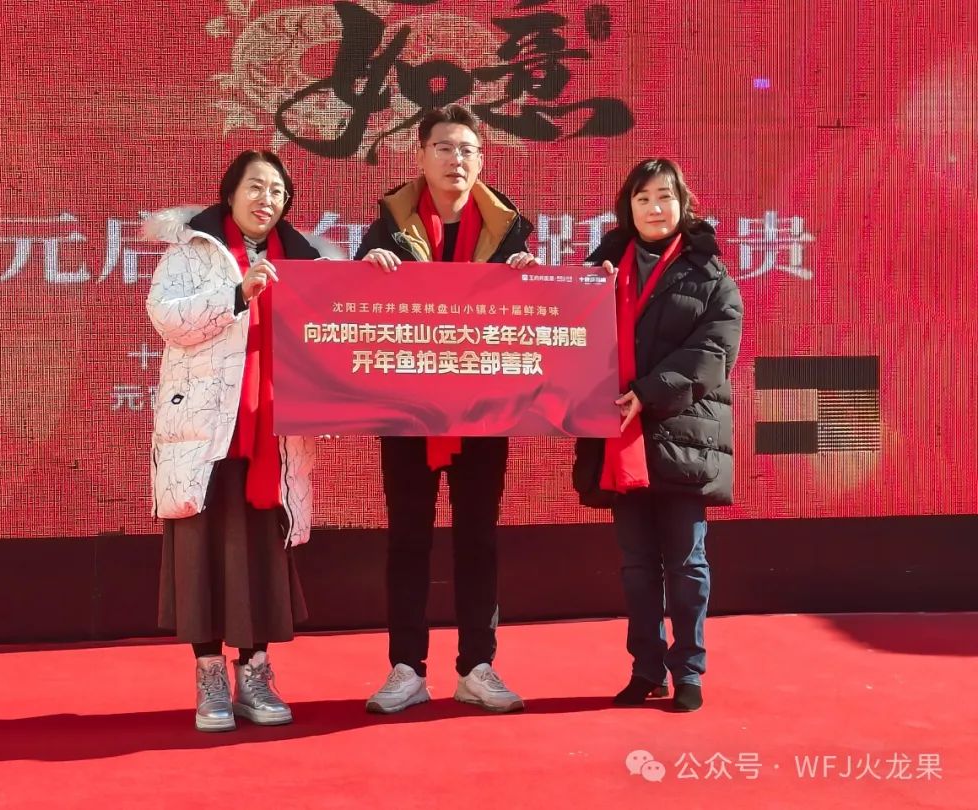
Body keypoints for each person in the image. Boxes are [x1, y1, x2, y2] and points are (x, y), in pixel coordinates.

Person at [355, 104, 537, 714]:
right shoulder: (388, 225)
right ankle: (406, 668)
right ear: (420, 155)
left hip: (484, 409)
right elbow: (356, 308)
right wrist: (365, 271)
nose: (455, 160)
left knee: (478, 539)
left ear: (480, 160)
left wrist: (532, 278)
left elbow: (532, 315)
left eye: (466, 150)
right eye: (443, 148)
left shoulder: (510, 229)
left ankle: (477, 666)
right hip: (408, 410)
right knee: (407, 538)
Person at [143, 149, 320, 731]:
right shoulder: (190, 251)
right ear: (230, 193)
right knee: (200, 557)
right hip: (205, 435)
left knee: (262, 556)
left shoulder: (307, 259)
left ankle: (255, 673)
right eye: (256, 187)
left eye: (277, 191)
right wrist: (237, 294)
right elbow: (166, 318)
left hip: (273, 434)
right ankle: (210, 677)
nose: (267, 200)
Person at [575, 158, 743, 712]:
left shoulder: (709, 274)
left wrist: (648, 392)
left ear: (682, 204)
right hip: (620, 439)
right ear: (628, 206)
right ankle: (646, 669)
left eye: (664, 197)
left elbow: (714, 351)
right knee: (637, 567)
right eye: (643, 198)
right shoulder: (600, 269)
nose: (654, 208)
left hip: (683, 435)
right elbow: (566, 336)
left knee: (687, 566)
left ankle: (688, 671)